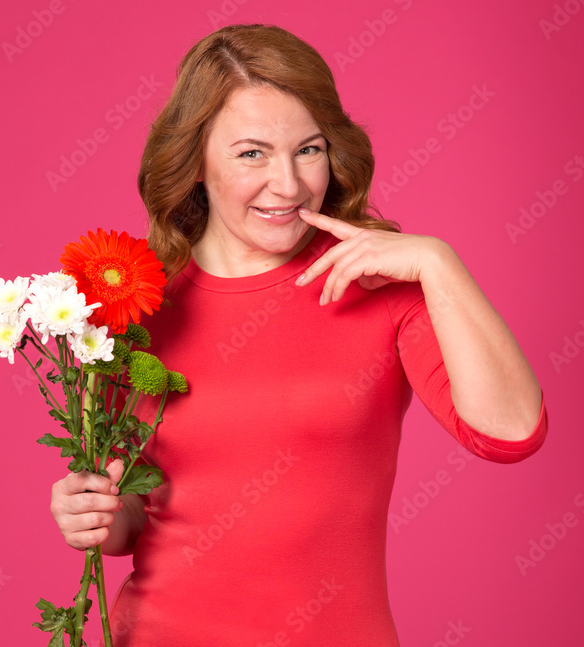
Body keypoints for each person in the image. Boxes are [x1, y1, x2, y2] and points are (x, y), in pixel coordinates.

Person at [49, 23, 548, 645]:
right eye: (251, 153)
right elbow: (135, 518)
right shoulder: (135, 306)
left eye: (308, 150)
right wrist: (93, 513)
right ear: (194, 160)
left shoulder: (378, 287)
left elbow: (510, 434)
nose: (287, 184)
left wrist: (438, 263)